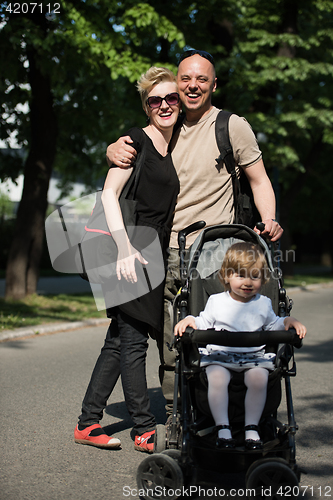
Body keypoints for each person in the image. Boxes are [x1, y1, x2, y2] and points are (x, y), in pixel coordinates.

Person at [106, 49, 284, 412]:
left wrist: (268, 220)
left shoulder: (231, 126)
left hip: (218, 252)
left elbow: (260, 179)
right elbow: (134, 155)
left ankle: (230, 412)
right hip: (167, 250)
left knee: (220, 338)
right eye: (185, 78)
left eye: (202, 79)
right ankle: (178, 418)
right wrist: (111, 148)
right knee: (173, 341)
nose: (192, 85)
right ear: (176, 82)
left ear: (213, 84)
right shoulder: (165, 125)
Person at [74, 67, 181, 452]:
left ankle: (88, 423)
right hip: (127, 247)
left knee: (119, 339)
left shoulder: (176, 143)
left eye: (171, 98)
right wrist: (123, 247)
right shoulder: (136, 140)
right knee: (133, 340)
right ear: (146, 106)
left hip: (149, 251)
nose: (165, 105)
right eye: (156, 100)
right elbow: (108, 194)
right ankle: (142, 427)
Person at [174, 242, 306, 450]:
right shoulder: (217, 301)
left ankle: (251, 427)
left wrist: (287, 321)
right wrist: (190, 320)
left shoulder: (262, 303)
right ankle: (222, 427)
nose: (247, 282)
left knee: (259, 378)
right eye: (240, 275)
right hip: (221, 355)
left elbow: (272, 324)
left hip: (253, 357)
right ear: (226, 276)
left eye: (254, 276)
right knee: (217, 377)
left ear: (263, 279)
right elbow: (204, 321)